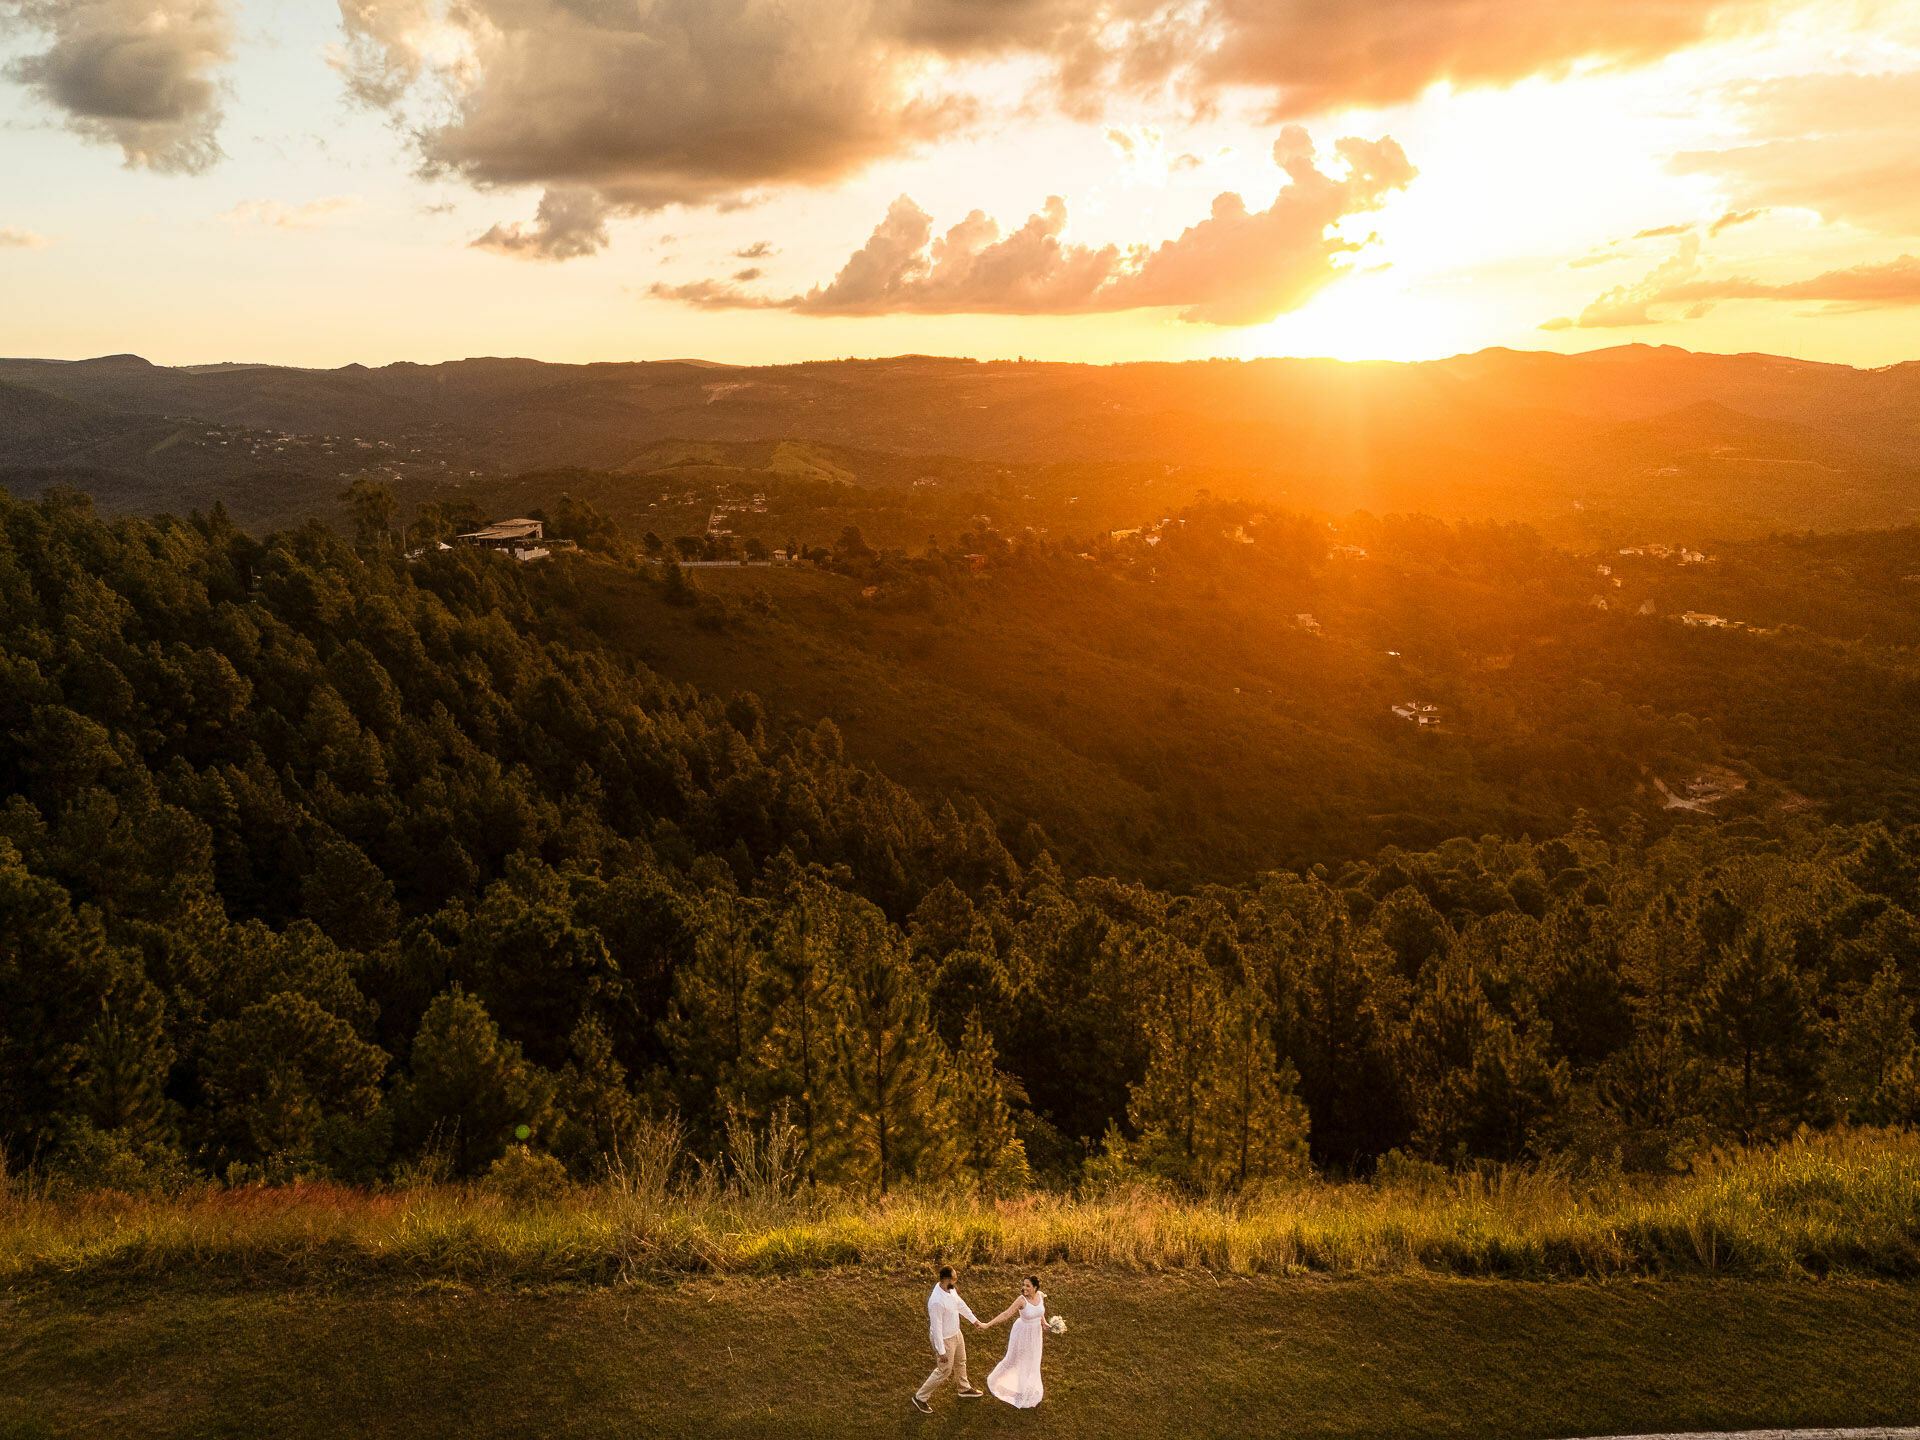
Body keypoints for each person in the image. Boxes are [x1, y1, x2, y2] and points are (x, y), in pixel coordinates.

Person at [911, 1265, 986, 1413]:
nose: (956, 1280)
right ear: (946, 1279)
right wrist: (941, 1350)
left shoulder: (950, 1290)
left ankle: (963, 1389)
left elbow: (961, 1305)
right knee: (944, 1371)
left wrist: (974, 1321)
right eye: (954, 1278)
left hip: (956, 1334)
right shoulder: (936, 1301)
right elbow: (936, 1327)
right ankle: (920, 1397)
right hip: (944, 1339)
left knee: (961, 1362)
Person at [980, 1275, 1048, 1409]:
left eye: (1028, 1286)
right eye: (1024, 1285)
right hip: (1022, 1333)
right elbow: (1006, 1314)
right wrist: (988, 1324)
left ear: (1035, 1287)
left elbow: (1040, 1311)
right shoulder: (1021, 1300)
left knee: (1033, 1360)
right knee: (1017, 1360)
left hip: (1036, 1334)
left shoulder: (1040, 1296)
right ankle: (1004, 1383)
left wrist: (1044, 1323)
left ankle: (1026, 1387)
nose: (1024, 1288)